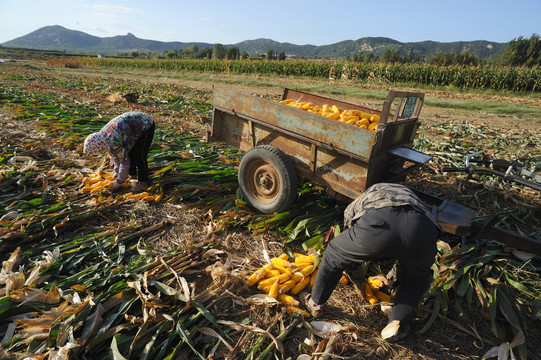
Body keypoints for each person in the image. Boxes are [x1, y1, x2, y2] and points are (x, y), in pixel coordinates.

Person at [303, 182, 441, 342]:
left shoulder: (360, 202)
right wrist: (391, 279)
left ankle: (315, 303)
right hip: (424, 230)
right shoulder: (411, 197)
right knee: (415, 279)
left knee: (335, 252)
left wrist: (359, 281)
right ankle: (398, 324)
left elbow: (348, 255)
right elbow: (406, 250)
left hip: (381, 224)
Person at [83, 111, 155, 192]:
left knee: (139, 155)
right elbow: (115, 156)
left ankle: (143, 182)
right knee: (130, 152)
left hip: (144, 124)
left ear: (98, 146)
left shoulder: (113, 140)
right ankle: (132, 176)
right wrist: (117, 173)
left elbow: (124, 162)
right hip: (132, 128)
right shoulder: (103, 138)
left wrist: (119, 181)